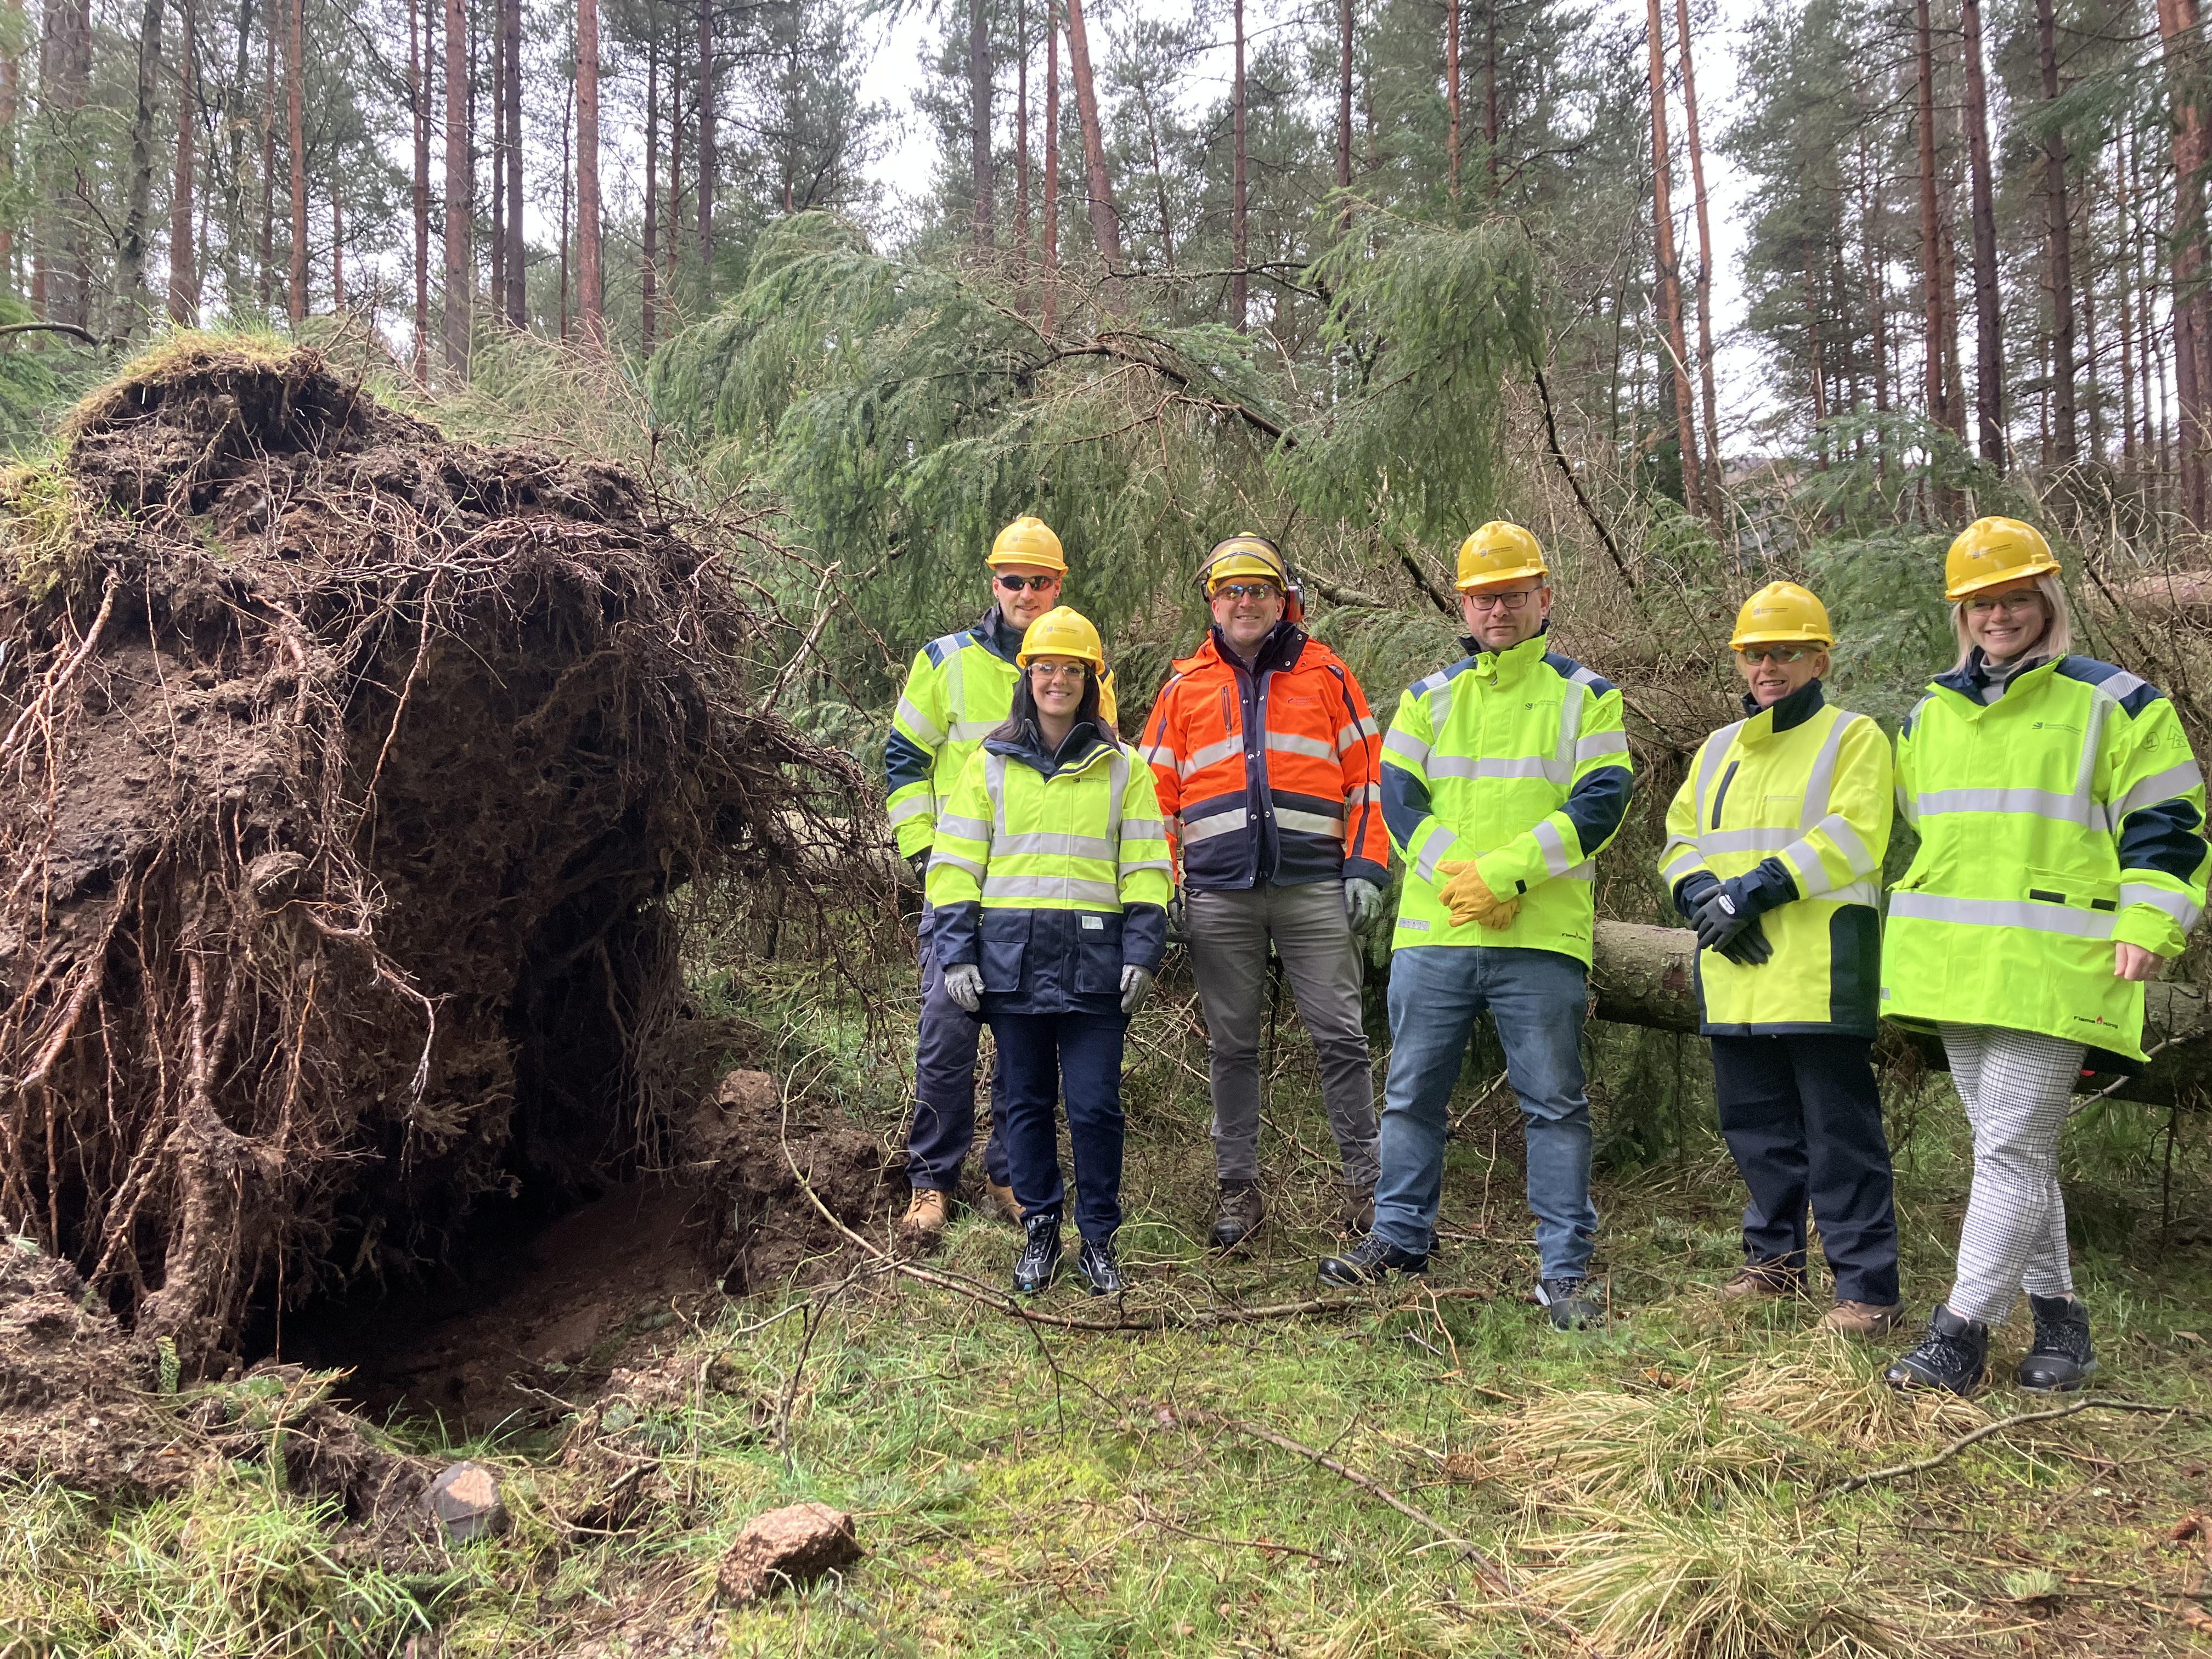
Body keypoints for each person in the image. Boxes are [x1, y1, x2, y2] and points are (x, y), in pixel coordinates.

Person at [1882, 517, 2207, 1395]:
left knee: (2010, 1151)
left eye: (2015, 598)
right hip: (1957, 965)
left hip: (2062, 964)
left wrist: (2151, 920)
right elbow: (1924, 831)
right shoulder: (1929, 716)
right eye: (1981, 603)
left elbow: (2170, 823)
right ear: (1961, 614)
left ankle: (1961, 1333)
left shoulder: (2117, 702)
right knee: (2009, 1149)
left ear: (2048, 600)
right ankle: (2062, 1324)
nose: (1999, 616)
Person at [1319, 522, 1633, 1333]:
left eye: (1514, 595)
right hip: (1438, 933)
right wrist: (1465, 880)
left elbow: (1602, 801)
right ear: (1463, 604)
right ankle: (1399, 1240)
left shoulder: (1587, 695)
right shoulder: (1428, 696)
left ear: (1543, 598)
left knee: (1554, 1106)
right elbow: (1398, 800)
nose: (1499, 609)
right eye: (1485, 597)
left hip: (1540, 937)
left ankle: (1564, 1271)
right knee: (1411, 1095)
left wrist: (1504, 876)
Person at [1657, 582, 1903, 1336]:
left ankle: (1867, 1290)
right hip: (1736, 974)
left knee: (1840, 1137)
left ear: (1819, 660)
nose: (1768, 667)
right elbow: (1680, 837)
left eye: (1786, 653)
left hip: (1820, 973)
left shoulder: (1853, 736)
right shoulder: (1719, 748)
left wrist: (1749, 894)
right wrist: (1703, 897)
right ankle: (1773, 1264)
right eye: (1756, 654)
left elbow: (1855, 834)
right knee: (1757, 1131)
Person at [1137, 534, 1388, 1248]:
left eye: (1259, 590)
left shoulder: (1327, 675)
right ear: (1213, 603)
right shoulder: (1184, 688)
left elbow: (1370, 778)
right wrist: (1163, 879)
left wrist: (1366, 866)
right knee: (1232, 1046)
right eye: (1231, 591)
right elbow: (1151, 798)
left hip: (1315, 886)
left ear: (1284, 600)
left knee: (1340, 1037)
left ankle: (1368, 1187)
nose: (1244, 602)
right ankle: (1237, 1190)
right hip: (1219, 894)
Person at [884, 516, 1120, 1250]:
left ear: (1058, 585)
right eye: (1014, 580)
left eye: (1039, 581)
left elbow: (1106, 775)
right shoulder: (946, 660)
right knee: (947, 1038)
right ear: (995, 583)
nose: (1026, 592)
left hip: (1040, 897)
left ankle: (1009, 1175)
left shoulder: (1085, 669)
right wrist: (927, 855)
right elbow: (904, 758)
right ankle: (932, 1180)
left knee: (1026, 1046)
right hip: (962, 890)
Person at [927, 607, 1172, 1296]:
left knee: (1095, 1108)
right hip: (1013, 966)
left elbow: (1148, 867)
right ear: (1027, 676)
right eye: (1045, 668)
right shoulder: (989, 763)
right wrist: (957, 953)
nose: (1057, 681)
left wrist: (1143, 952)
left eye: (1071, 670)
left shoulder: (1125, 768)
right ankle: (1041, 1231)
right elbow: (956, 865)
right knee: (1024, 1106)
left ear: (1091, 681)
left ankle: (1098, 1240)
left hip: (1097, 970)